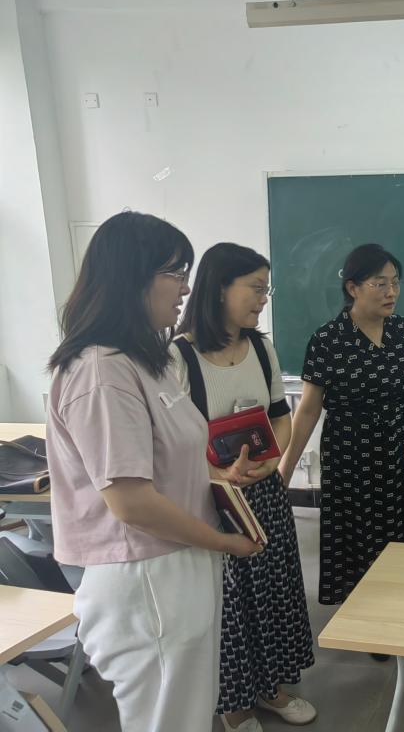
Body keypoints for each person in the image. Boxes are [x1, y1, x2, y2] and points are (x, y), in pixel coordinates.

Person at [46, 212, 261, 732]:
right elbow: (131, 502)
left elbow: (162, 460)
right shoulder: (101, 371)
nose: (186, 288)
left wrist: (216, 478)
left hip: (177, 561)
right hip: (145, 575)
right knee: (168, 720)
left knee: (187, 711)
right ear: (132, 275)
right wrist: (223, 542)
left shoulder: (145, 359)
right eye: (175, 272)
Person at [170, 243, 315, 732]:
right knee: (230, 606)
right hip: (212, 500)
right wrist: (219, 475)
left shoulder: (260, 347)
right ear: (219, 288)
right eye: (255, 288)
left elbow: (280, 417)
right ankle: (234, 705)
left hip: (264, 492)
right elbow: (172, 444)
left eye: (265, 289)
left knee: (272, 592)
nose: (263, 299)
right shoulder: (179, 357)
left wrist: (272, 459)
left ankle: (271, 688)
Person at [279, 244, 404, 616]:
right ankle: (363, 616)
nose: (391, 292)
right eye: (379, 283)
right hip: (349, 452)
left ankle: (398, 612)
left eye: (395, 282)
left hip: (396, 446)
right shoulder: (328, 339)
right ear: (353, 287)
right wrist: (286, 468)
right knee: (356, 537)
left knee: (397, 534)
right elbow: (308, 409)